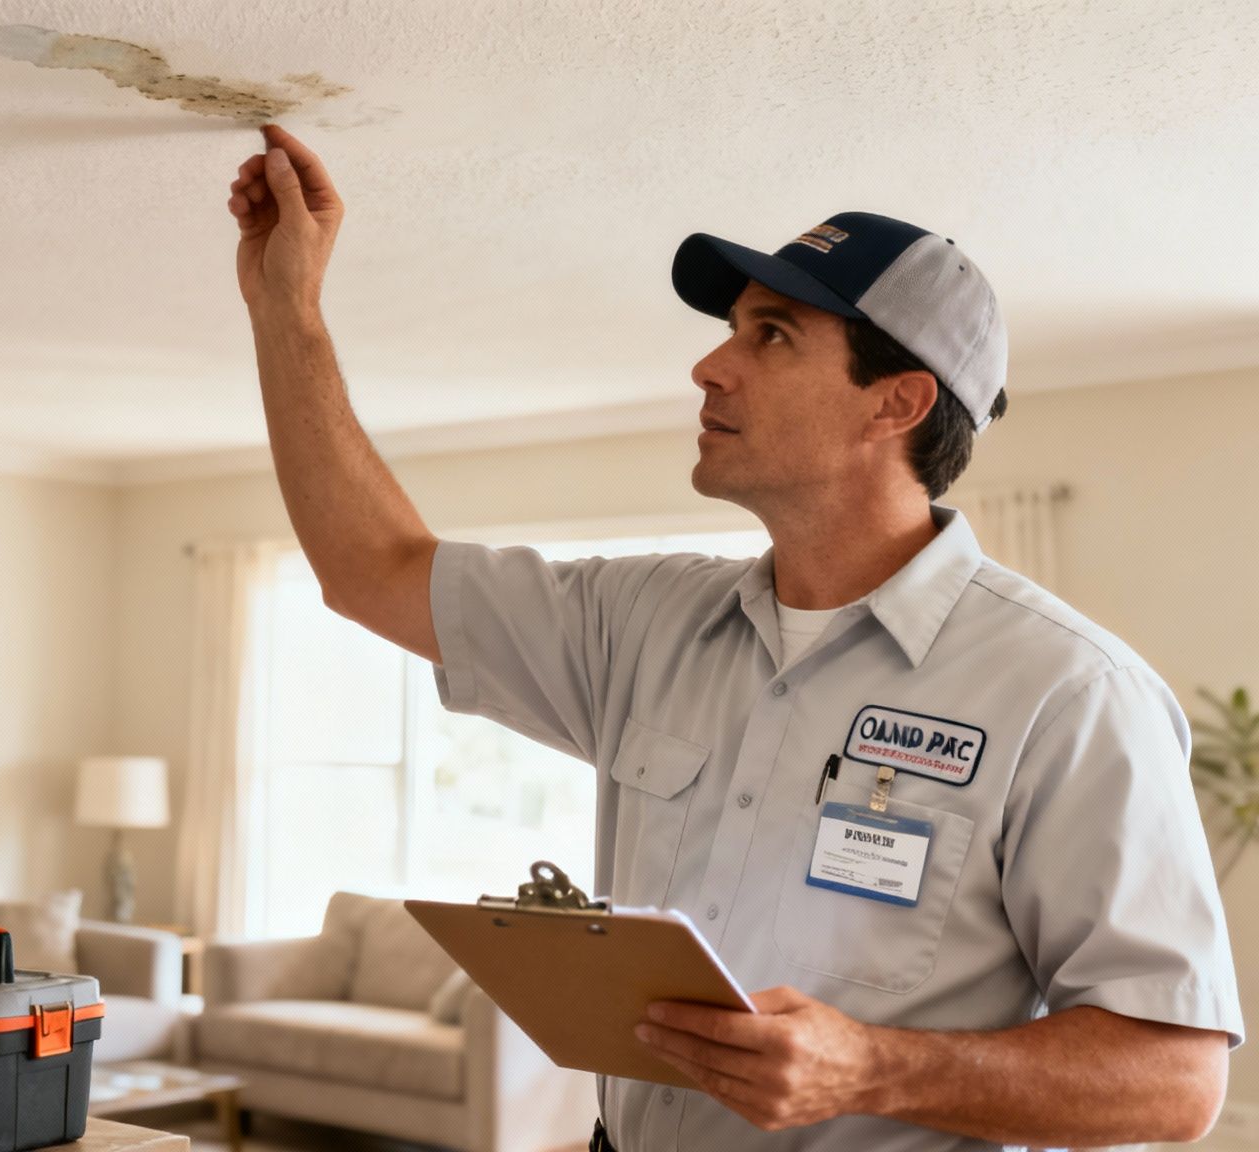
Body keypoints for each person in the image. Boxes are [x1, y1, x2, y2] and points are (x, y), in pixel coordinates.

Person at [224, 125, 1241, 1150]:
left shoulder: (1066, 691)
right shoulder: (642, 622)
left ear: (895, 403)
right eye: (732, 329)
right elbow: (375, 573)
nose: (710, 365)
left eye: (772, 335)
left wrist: (872, 1068)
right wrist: (285, 309)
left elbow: (1170, 1081)